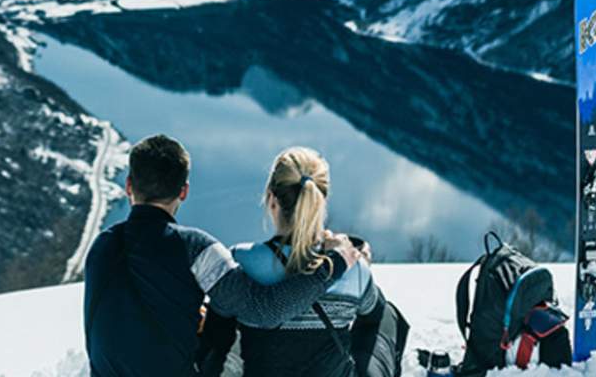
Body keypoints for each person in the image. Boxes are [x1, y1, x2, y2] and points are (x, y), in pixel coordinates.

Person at [83, 134, 365, 377]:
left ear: (129, 186)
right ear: (184, 191)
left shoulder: (100, 247)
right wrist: (336, 263)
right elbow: (266, 310)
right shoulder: (196, 247)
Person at [210, 147, 402, 377]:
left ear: (272, 199)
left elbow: (216, 335)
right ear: (321, 202)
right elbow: (374, 317)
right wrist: (359, 272)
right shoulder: (353, 266)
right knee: (385, 313)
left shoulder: (242, 260)